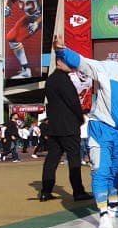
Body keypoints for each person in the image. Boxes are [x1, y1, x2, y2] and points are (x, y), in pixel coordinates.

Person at [54, 36, 118, 228]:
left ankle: (114, 206)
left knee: (117, 171)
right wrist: (61, 51)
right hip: (100, 129)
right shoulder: (111, 68)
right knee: (100, 170)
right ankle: (103, 214)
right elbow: (84, 64)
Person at [38, 51, 92, 203]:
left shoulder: (51, 80)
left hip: (54, 126)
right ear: (59, 63)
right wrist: (80, 117)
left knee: (52, 159)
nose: (73, 65)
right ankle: (78, 191)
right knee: (74, 159)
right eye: (69, 62)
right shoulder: (63, 80)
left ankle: (45, 191)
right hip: (68, 126)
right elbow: (73, 102)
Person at [4, 0, 43, 79]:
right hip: (30, 17)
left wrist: (37, 23)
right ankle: (26, 70)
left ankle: (27, 70)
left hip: (40, 16)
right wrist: (7, 7)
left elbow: (45, 9)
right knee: (11, 38)